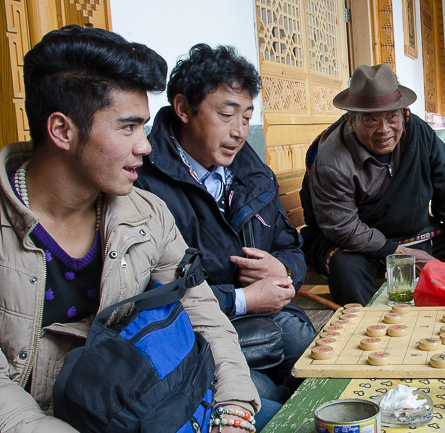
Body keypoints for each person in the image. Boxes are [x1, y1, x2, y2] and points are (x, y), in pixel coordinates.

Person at [0, 27, 273, 433]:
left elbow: (207, 320)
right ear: (63, 131)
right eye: (128, 128)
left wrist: (235, 415)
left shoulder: (147, 212)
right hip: (30, 424)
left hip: (146, 405)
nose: (146, 147)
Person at [135, 43, 315, 404]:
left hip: (272, 318)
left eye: (247, 118)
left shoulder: (253, 172)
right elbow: (147, 294)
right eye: (227, 115)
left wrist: (284, 270)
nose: (239, 132)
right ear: (184, 108)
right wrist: (244, 299)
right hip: (198, 335)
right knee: (266, 404)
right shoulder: (144, 182)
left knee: (322, 369)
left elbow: (290, 245)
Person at [300, 63, 445, 306]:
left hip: (413, 232)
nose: (384, 130)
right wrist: (397, 253)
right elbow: (342, 226)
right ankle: (369, 335)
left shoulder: (415, 130)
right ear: (350, 120)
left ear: (402, 112)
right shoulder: (332, 159)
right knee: (346, 269)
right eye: (371, 120)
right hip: (353, 242)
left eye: (392, 116)